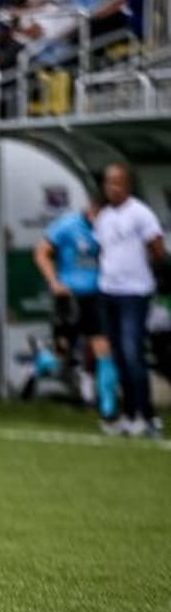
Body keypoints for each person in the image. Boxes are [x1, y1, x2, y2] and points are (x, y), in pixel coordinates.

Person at [94, 163, 167, 438]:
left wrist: (146, 271)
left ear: (127, 185)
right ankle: (128, 414)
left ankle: (146, 416)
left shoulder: (140, 213)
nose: (112, 188)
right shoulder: (103, 217)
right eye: (108, 183)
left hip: (135, 293)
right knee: (119, 356)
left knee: (132, 352)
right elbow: (103, 250)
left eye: (117, 183)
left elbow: (157, 248)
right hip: (108, 290)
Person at [33, 196, 117, 423]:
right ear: (91, 208)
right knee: (63, 352)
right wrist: (53, 282)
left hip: (97, 295)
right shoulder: (67, 225)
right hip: (68, 296)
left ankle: (108, 408)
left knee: (103, 347)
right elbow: (41, 252)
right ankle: (44, 360)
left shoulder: (110, 228)